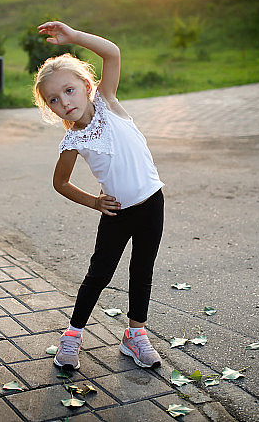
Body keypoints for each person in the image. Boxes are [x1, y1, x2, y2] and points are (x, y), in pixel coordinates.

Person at [32, 21, 165, 371]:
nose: (64, 102)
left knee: (142, 269)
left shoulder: (107, 102)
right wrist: (94, 201)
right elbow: (60, 183)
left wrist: (74, 37)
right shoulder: (73, 140)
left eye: (69, 91)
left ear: (87, 86)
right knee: (99, 275)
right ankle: (72, 337)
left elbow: (112, 52)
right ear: (51, 109)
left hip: (152, 203)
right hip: (116, 212)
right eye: (54, 100)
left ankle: (135, 336)